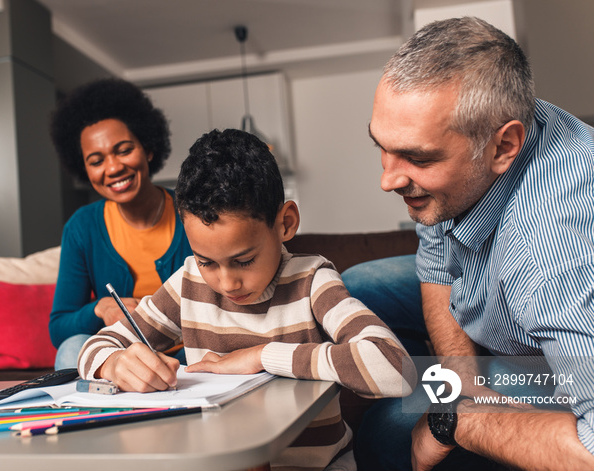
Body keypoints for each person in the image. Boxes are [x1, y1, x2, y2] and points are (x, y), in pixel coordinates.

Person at [77, 128, 415, 470]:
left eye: (244, 261)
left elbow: (395, 369)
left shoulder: (313, 281)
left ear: (286, 223)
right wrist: (114, 364)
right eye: (207, 261)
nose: (226, 282)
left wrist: (261, 356)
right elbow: (95, 347)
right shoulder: (188, 283)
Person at [341, 16, 594, 470]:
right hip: (504, 301)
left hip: (554, 352)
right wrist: (461, 382)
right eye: (383, 146)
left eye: (417, 158)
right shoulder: (484, 134)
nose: (388, 179)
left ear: (503, 147)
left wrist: (457, 420)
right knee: (358, 287)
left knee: (387, 431)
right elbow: (437, 262)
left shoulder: (550, 258)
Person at [48, 78, 192, 370]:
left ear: (148, 149)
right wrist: (99, 309)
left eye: (124, 150)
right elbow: (59, 326)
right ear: (84, 169)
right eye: (96, 160)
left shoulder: (193, 211)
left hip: (189, 352)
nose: (113, 168)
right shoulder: (82, 227)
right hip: (120, 358)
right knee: (69, 350)